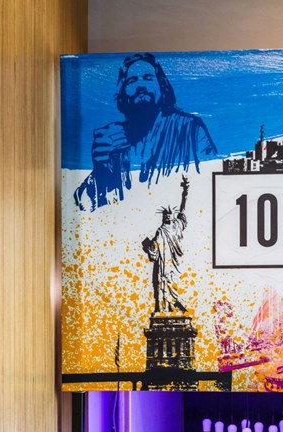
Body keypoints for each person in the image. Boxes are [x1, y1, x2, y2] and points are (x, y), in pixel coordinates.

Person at [74, 53, 217, 211]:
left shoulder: (190, 129)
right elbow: (85, 208)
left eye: (148, 78)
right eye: (132, 80)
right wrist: (100, 168)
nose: (140, 85)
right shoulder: (111, 138)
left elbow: (211, 187)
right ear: (123, 93)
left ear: (162, 86)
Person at [142, 176, 190, 313]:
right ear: (163, 217)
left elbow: (183, 209)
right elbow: (154, 251)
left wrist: (185, 191)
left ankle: (174, 304)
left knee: (173, 283)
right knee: (160, 284)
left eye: (170, 214)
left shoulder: (177, 226)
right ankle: (163, 307)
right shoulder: (160, 231)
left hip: (173, 263)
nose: (168, 216)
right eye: (166, 215)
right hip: (163, 264)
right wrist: (147, 246)